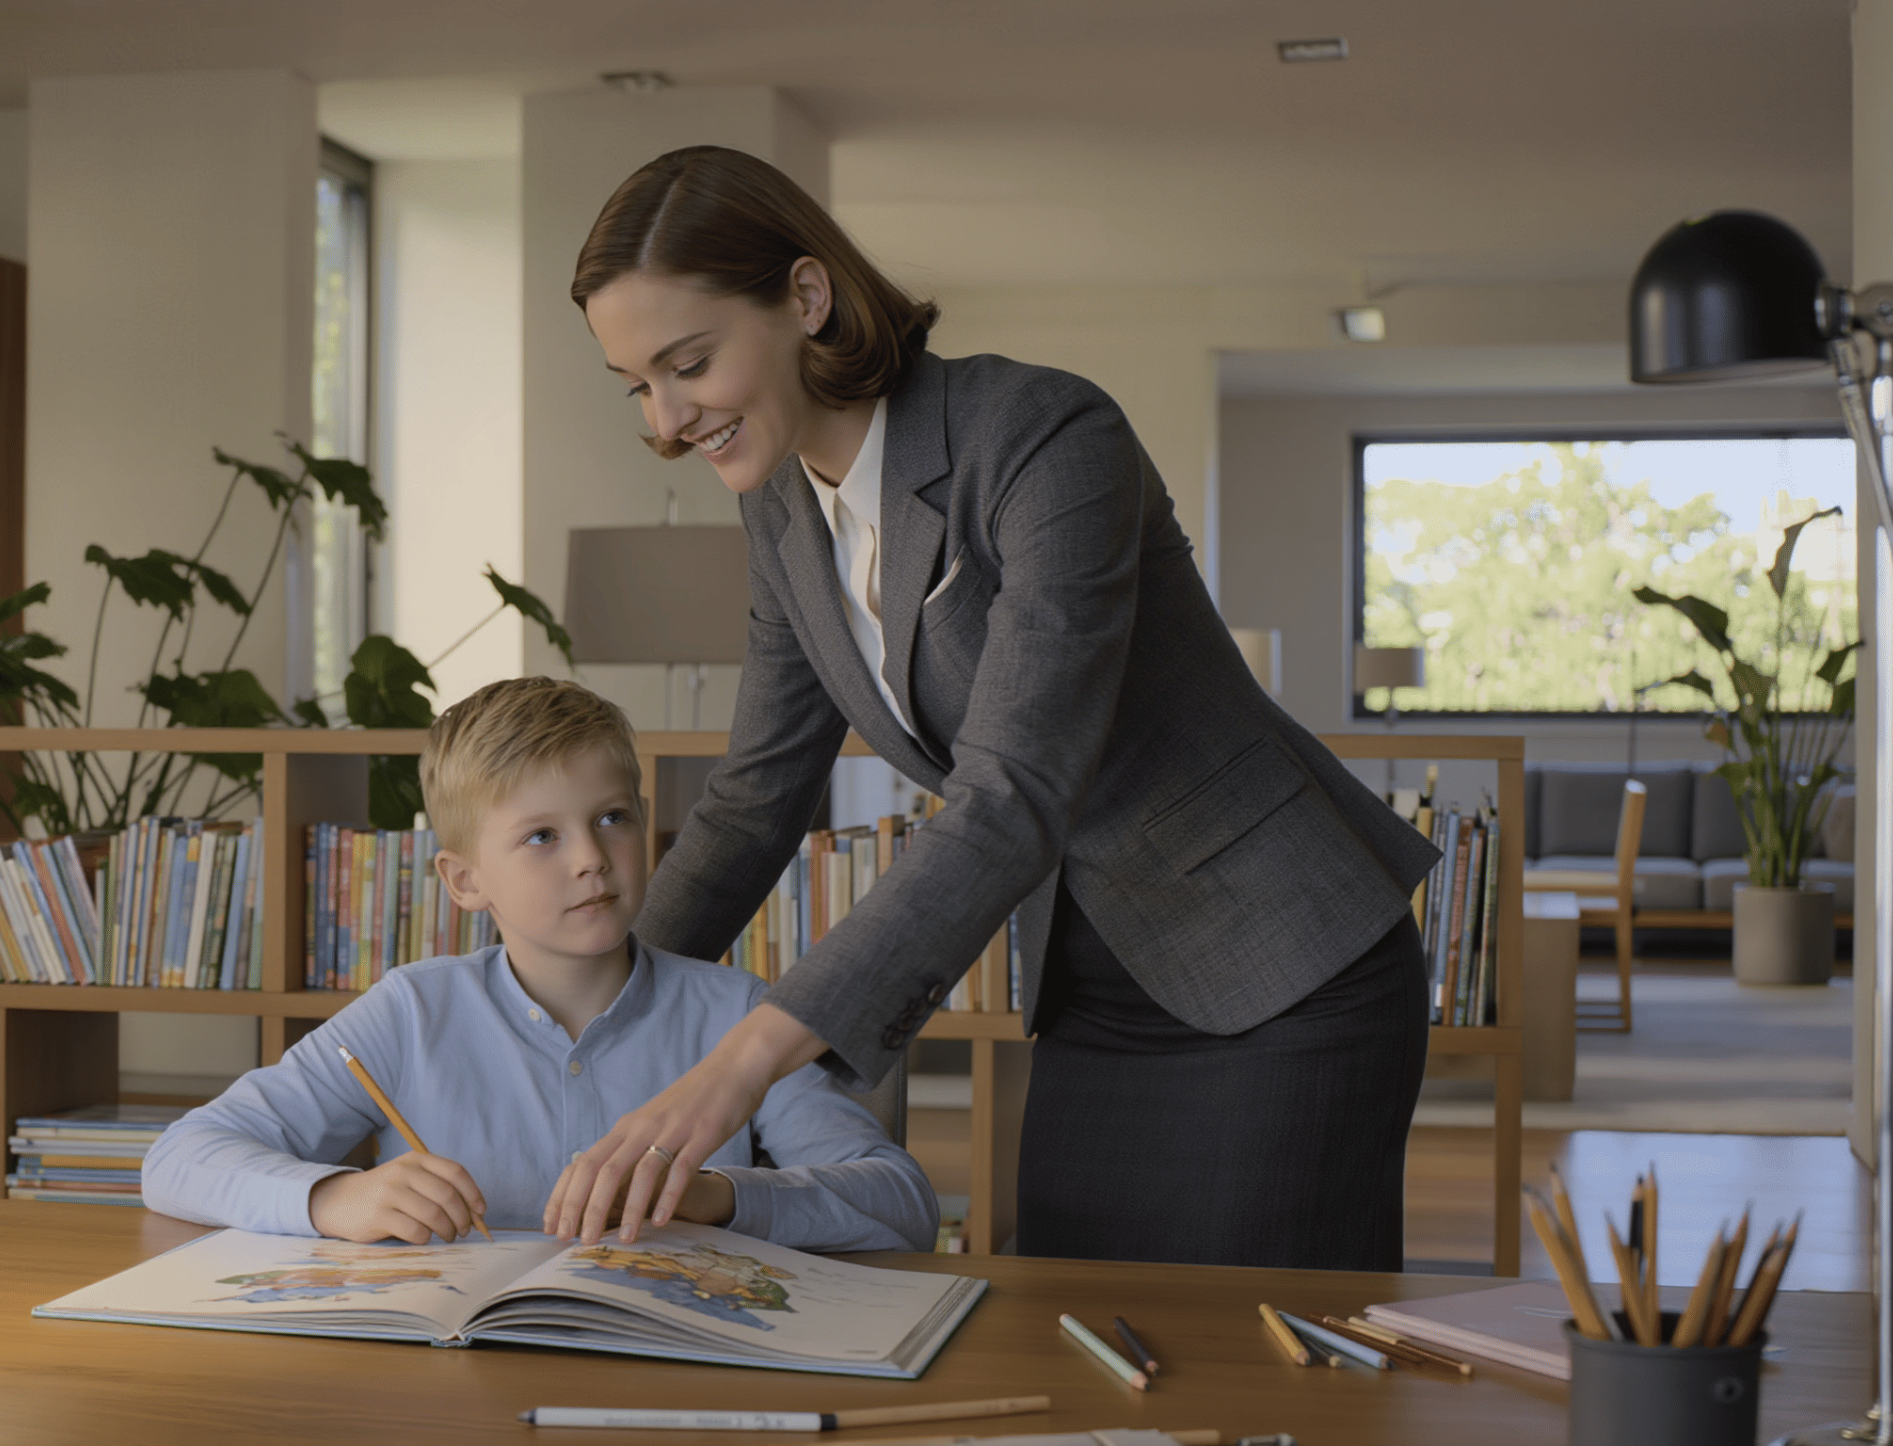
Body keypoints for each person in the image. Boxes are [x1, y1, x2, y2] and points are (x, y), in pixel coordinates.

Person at [544, 145, 1441, 1272]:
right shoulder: (780, 512)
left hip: (1284, 969)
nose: (667, 421)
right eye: (638, 384)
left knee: (1250, 1378)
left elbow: (1010, 790)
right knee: (1077, 1349)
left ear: (805, 299)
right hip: (1099, 981)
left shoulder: (1044, 437)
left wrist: (741, 1060)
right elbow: (753, 797)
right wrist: (582, 999)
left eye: (689, 363)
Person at [142, 676, 937, 1254]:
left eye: (612, 819)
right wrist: (333, 1197)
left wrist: (714, 1197)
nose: (593, 858)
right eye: (542, 836)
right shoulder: (408, 1013)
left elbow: (901, 1204)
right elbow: (178, 1159)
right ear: (465, 881)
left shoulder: (736, 1015)